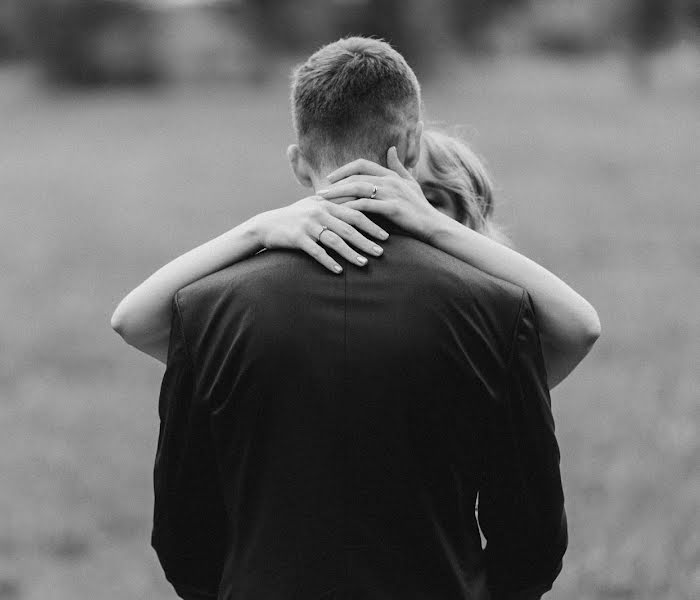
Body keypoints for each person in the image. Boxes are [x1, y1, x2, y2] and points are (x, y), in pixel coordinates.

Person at [118, 37, 573, 599]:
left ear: (297, 162)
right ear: (410, 144)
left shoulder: (204, 308)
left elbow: (184, 529)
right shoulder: (499, 308)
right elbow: (532, 536)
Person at [111, 129, 600, 390]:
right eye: (379, 196)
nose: (401, 216)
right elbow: (134, 319)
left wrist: (430, 227)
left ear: (468, 223)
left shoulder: (489, 333)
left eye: (430, 200)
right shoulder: (293, 319)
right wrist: (256, 229)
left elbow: (580, 329)